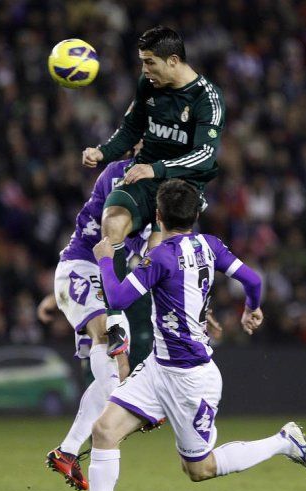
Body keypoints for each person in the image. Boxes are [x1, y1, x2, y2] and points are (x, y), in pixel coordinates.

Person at [88, 180, 306, 491]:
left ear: (158, 215)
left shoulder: (160, 257)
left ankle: (283, 442)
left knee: (199, 469)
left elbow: (119, 297)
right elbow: (252, 280)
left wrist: (106, 259)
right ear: (196, 215)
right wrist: (251, 310)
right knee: (104, 430)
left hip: (191, 380)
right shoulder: (210, 245)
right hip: (158, 368)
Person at [82, 26, 226, 356]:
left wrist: (157, 169)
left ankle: (171, 334)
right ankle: (116, 325)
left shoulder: (207, 99)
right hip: (145, 178)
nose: (145, 70)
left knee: (158, 257)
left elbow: (205, 155)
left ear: (173, 60)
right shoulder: (149, 87)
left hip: (182, 189)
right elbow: (130, 129)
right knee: (112, 223)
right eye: (142, 62)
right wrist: (102, 152)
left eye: (150, 62)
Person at [43, 157, 159, 491]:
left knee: (116, 374)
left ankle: (67, 450)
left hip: (95, 279)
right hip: (82, 267)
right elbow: (107, 237)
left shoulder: (157, 200)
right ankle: (131, 412)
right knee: (112, 352)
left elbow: (157, 256)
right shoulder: (121, 174)